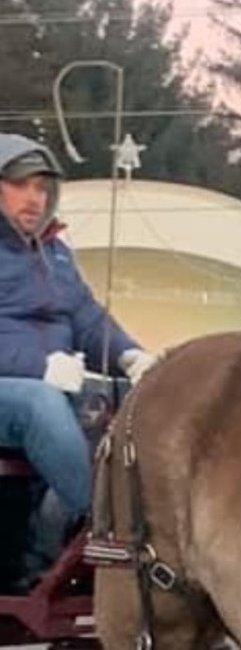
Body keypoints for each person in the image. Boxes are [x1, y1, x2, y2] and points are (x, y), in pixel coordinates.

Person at [0, 133, 156, 587]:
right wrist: (38, 366)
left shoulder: (55, 253)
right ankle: (114, 529)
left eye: (42, 188)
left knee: (147, 402)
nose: (35, 198)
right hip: (20, 390)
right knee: (39, 403)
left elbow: (87, 317)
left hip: (58, 386)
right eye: (20, 185)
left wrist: (130, 356)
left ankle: (60, 543)